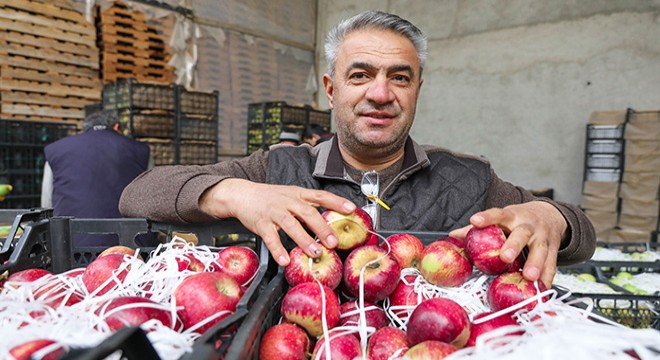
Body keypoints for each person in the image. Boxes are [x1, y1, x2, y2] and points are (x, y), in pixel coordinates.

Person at [119, 11, 596, 288]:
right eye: (361, 74)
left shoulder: (467, 180)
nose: (381, 94)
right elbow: (138, 193)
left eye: (400, 78)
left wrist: (554, 218)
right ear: (331, 89)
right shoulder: (279, 168)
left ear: (417, 90)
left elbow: (581, 237)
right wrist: (236, 194)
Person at [42, 110, 152, 246]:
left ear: (85, 128)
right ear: (117, 127)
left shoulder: (56, 151)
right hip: (130, 249)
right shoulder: (141, 151)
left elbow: (46, 204)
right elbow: (151, 203)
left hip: (69, 246)